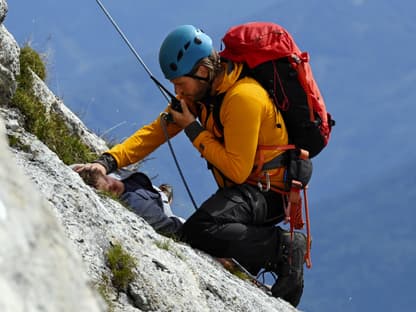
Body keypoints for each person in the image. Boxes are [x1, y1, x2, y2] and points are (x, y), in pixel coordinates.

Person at [74, 25, 307, 306]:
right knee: (201, 231)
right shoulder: (203, 94)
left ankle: (282, 248)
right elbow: (156, 130)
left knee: (201, 229)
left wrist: (192, 129)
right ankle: (248, 252)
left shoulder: (243, 98)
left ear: (204, 70)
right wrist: (107, 162)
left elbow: (237, 170)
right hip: (246, 189)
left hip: (269, 194)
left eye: (180, 83)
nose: (177, 90)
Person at [78, 167, 184, 237]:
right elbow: (171, 227)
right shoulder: (140, 207)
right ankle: (166, 197)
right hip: (159, 203)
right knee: (166, 205)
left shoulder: (114, 175)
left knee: (156, 190)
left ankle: (162, 193)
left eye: (106, 179)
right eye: (110, 189)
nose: (111, 183)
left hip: (143, 185)